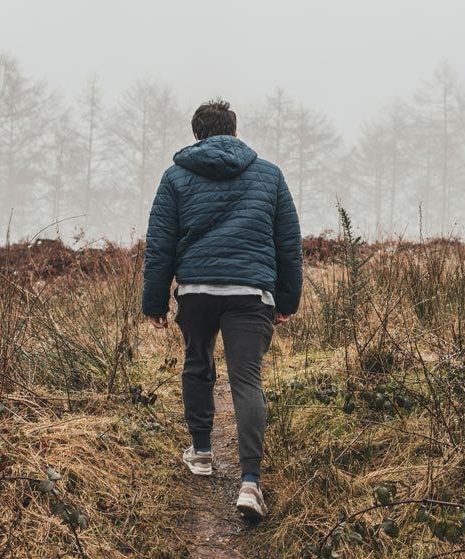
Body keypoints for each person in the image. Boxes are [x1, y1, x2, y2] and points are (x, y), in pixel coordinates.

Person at [141, 99, 303, 520]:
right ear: (233, 131)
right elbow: (288, 242)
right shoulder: (269, 175)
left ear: (197, 136)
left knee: (198, 363)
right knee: (247, 379)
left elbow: (160, 243)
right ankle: (250, 483)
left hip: (195, 290)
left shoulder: (175, 177)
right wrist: (287, 299)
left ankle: (202, 453)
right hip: (251, 292)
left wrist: (155, 301)